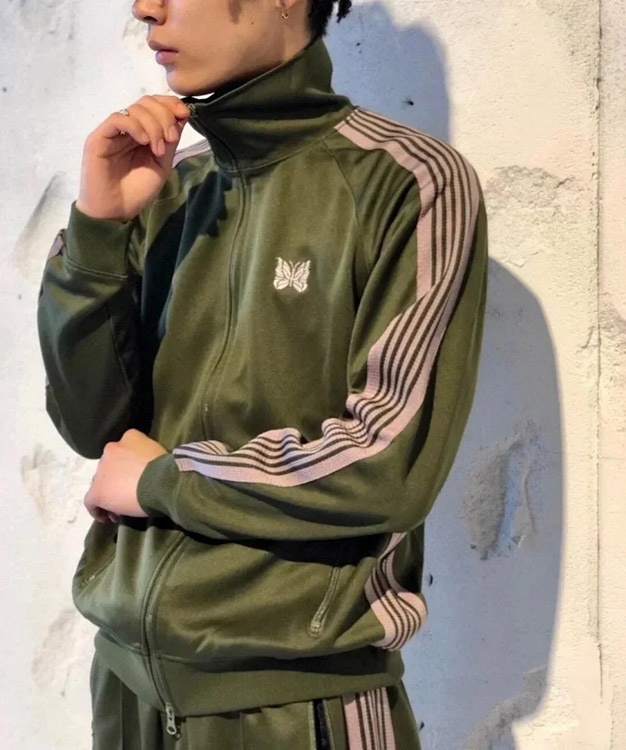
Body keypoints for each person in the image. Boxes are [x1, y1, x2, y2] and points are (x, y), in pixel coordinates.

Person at [37, 0, 488, 747]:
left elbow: (389, 464)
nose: (145, 8)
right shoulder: (171, 188)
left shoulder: (407, 184)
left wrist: (164, 483)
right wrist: (98, 230)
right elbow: (94, 427)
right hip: (126, 692)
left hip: (297, 707)